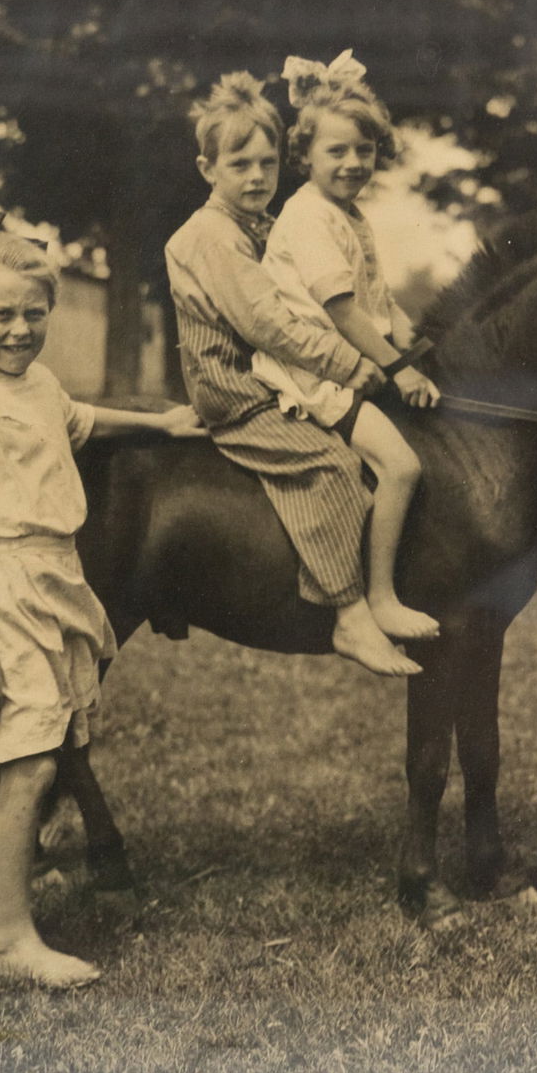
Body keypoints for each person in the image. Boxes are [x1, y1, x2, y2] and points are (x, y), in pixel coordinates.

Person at [0, 230, 203, 987]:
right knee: (32, 767)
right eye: (2, 314)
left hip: (50, 587)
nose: (19, 330)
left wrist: (161, 423)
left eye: (34, 313)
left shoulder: (35, 386)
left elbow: (78, 418)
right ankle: (14, 939)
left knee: (8, 768)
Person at [164, 71, 420, 678]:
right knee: (327, 464)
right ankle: (351, 616)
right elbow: (270, 327)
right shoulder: (210, 237)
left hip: (269, 376)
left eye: (267, 163)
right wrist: (352, 366)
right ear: (208, 170)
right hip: (237, 389)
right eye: (239, 164)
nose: (256, 177)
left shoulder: (258, 225)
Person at [253, 51, 441, 642]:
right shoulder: (308, 216)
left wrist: (422, 352)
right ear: (303, 156)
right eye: (336, 151)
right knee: (403, 465)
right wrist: (398, 370)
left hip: (351, 363)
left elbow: (382, 304)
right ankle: (379, 597)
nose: (353, 162)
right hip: (313, 372)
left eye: (364, 150)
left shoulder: (348, 215)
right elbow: (341, 309)